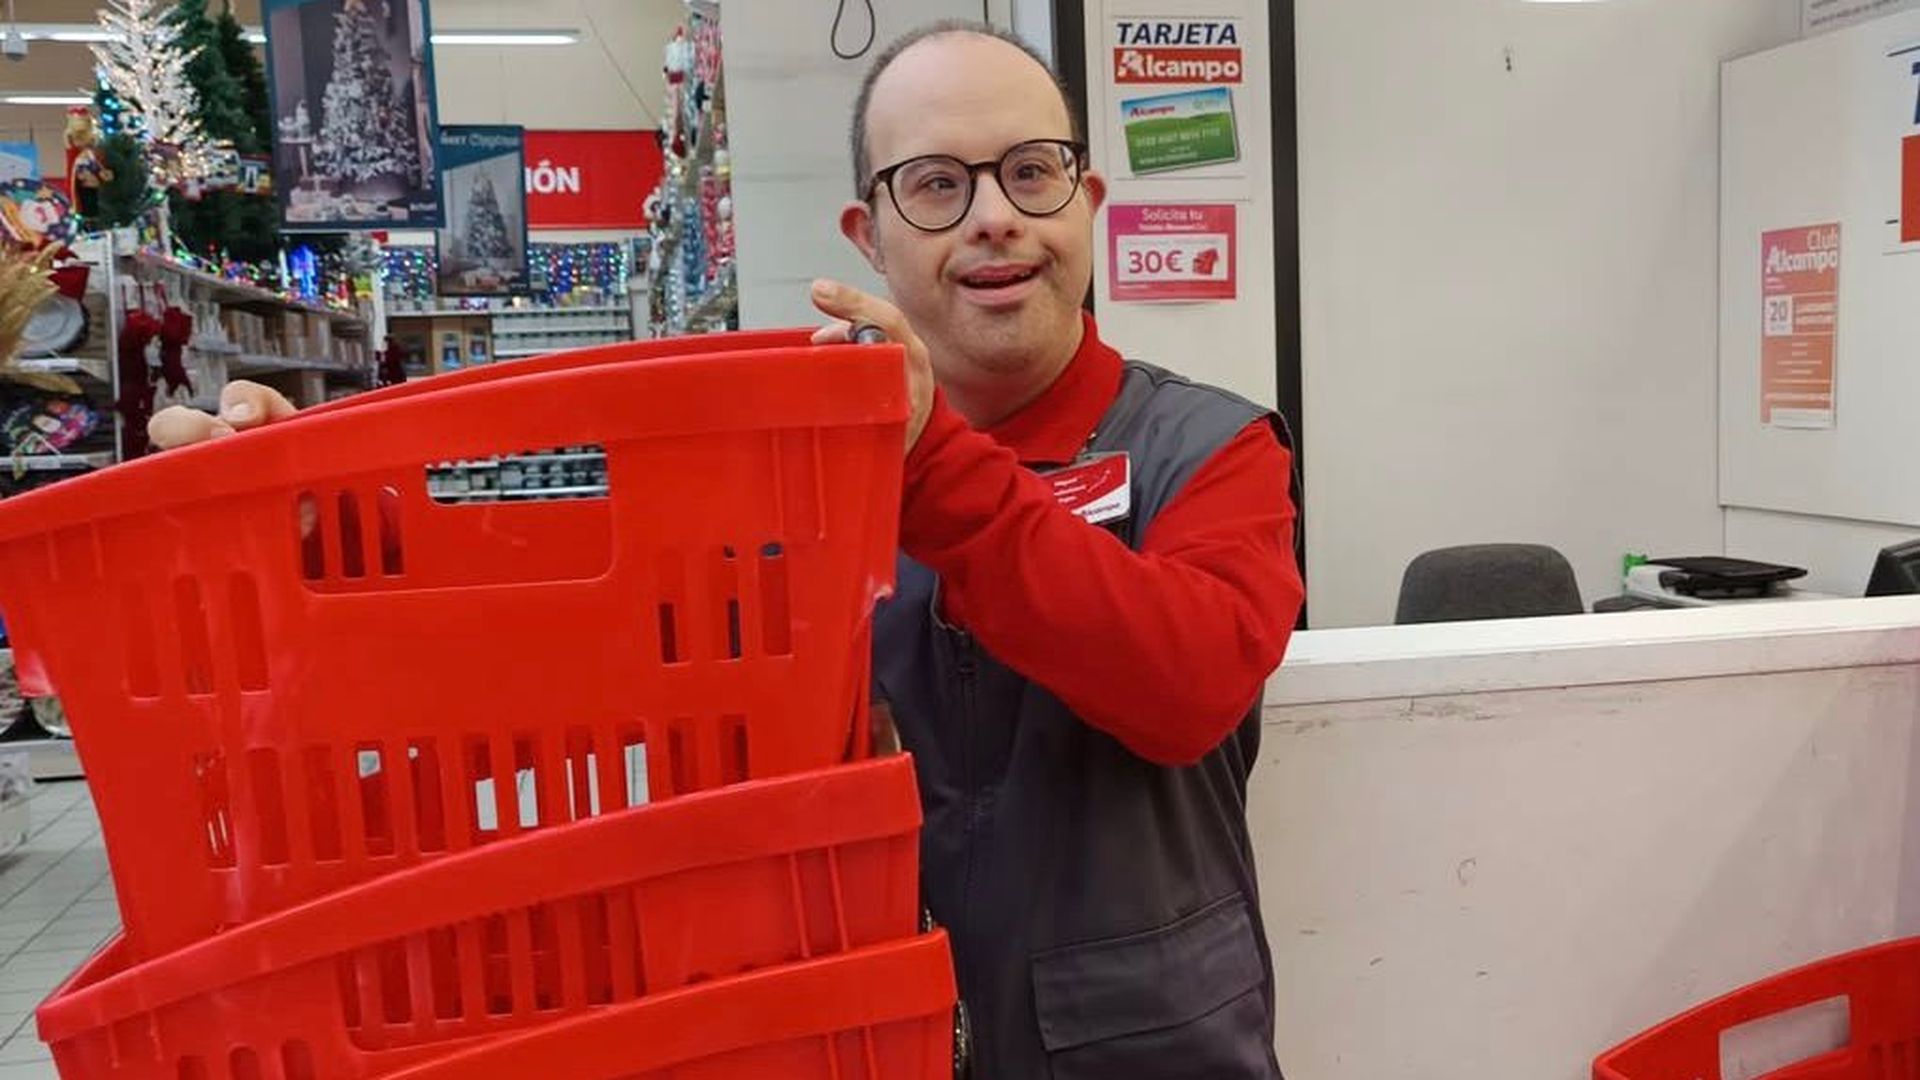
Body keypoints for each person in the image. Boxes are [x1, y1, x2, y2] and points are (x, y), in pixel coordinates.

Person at [151, 21, 1303, 1078]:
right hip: (858, 1041)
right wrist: (329, 523)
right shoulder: (790, 478)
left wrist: (928, 461)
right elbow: (573, 595)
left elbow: (1187, 683)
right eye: (938, 186)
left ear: (1085, 201)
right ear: (870, 237)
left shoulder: (1207, 447)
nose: (995, 216)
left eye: (1030, 172)